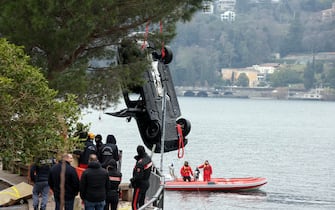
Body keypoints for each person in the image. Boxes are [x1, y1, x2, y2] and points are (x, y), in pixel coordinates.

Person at [130, 145, 153, 210]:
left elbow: (138, 176)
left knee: (134, 203)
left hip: (139, 185)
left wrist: (132, 180)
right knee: (141, 203)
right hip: (146, 183)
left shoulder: (140, 163)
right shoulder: (148, 159)